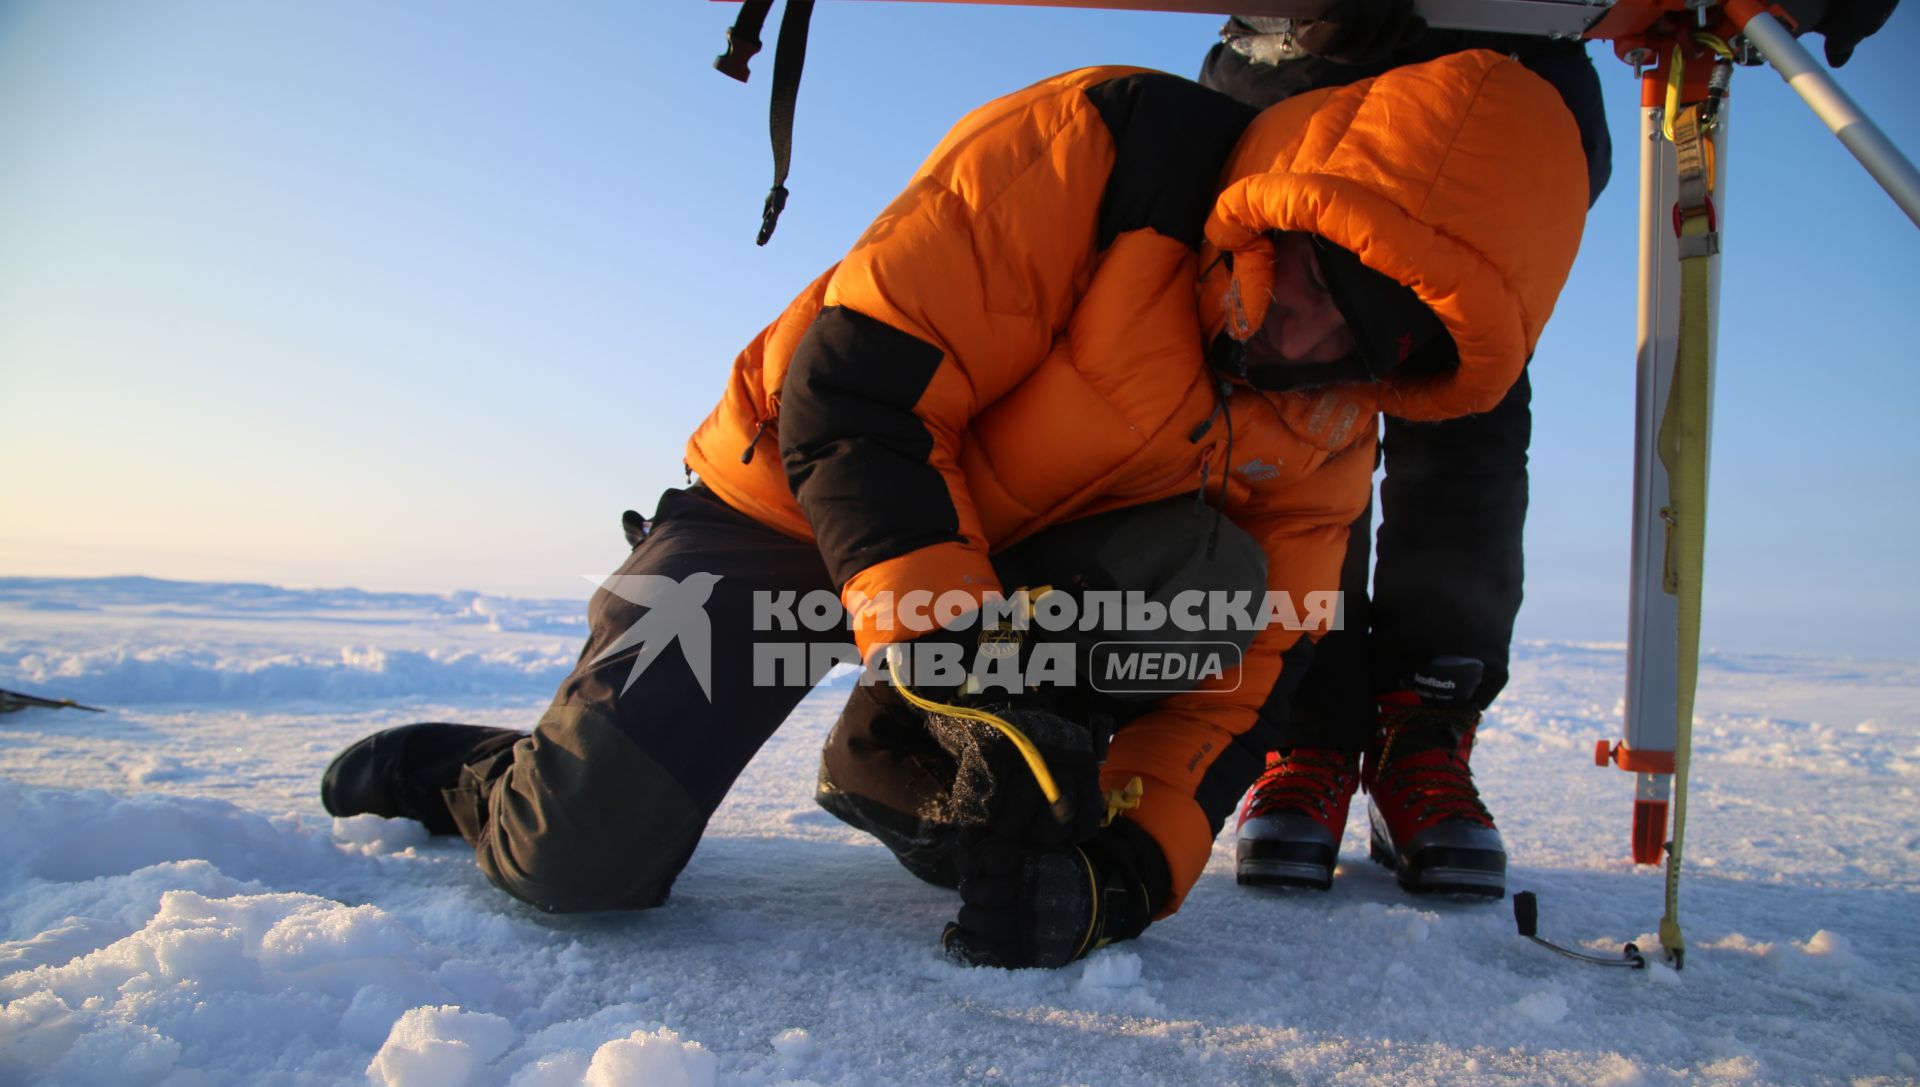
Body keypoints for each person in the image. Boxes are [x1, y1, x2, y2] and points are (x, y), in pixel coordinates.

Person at [322, 52, 1588, 968]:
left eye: (1361, 339)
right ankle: (491, 771)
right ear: (1296, 203)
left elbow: (1244, 682)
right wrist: (955, 645)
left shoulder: (1332, 417)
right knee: (575, 862)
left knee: (1203, 609)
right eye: (1319, 274)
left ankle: (895, 752)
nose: (1305, 334)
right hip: (794, 500)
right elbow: (855, 387)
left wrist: (1119, 880)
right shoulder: (1109, 149)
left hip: (991, 572)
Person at [1214, 0, 1897, 900]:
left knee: (1466, 410)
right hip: (1303, 75)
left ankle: (1424, 726)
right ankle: (1306, 729)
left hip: (1510, 94)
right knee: (1291, 425)